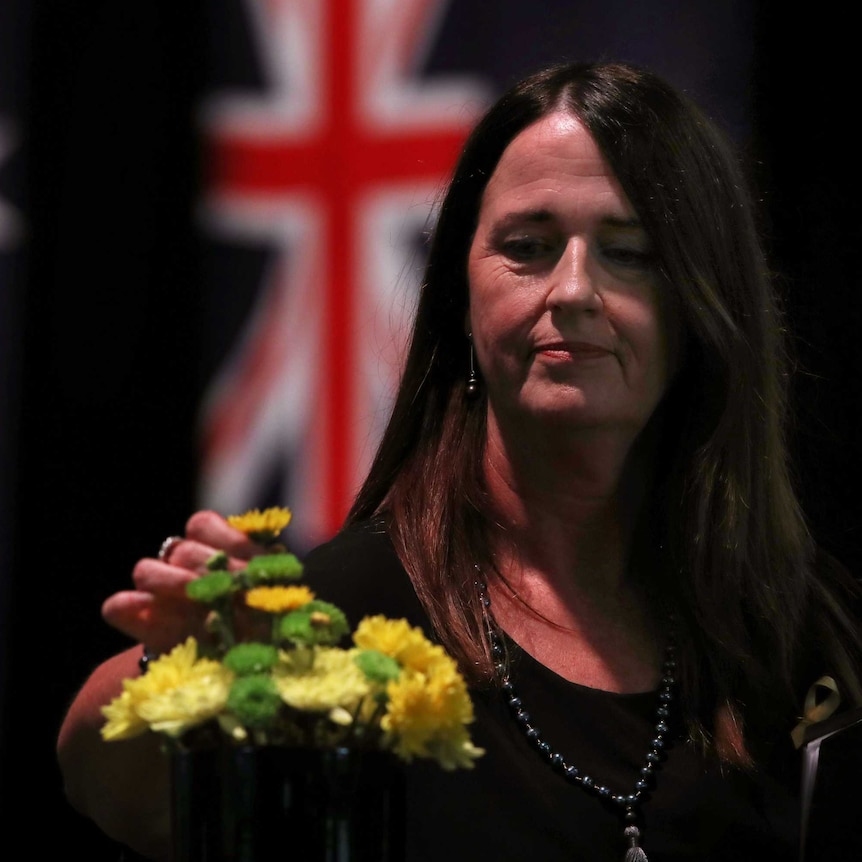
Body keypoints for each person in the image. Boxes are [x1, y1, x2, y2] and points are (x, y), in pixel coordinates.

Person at [57, 61, 861, 862]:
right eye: (528, 247)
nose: (574, 288)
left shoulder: (798, 629)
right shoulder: (349, 616)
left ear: (702, 306)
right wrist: (183, 662)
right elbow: (113, 787)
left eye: (632, 252)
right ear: (462, 302)